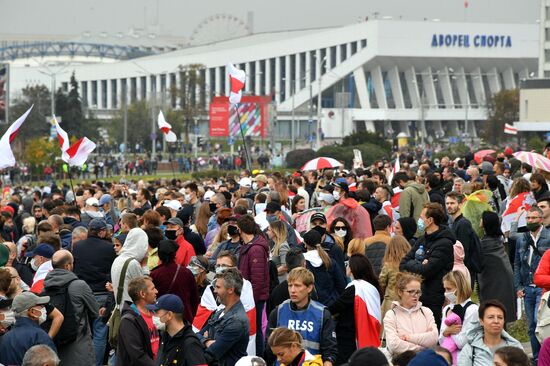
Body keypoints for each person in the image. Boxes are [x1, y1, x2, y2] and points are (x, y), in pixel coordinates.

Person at [267, 267, 338, 366]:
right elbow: (269, 352)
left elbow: (330, 352)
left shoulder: (322, 314)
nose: (292, 290)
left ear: (309, 288)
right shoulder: (277, 312)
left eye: (297, 286)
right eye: (290, 285)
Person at [400, 203, 455, 327]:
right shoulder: (422, 239)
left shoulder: (444, 243)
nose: (419, 220)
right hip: (418, 295)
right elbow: (403, 263)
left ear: (430, 220)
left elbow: (426, 271)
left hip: (433, 297)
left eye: (421, 217)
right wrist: (420, 263)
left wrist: (417, 264)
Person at [42, 250, 99, 366]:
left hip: (55, 347)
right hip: (79, 346)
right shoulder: (79, 285)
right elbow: (95, 311)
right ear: (68, 266)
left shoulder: (45, 287)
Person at [72, 218, 116, 366]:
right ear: (102, 231)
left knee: (82, 332)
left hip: (81, 294)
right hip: (101, 295)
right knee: (99, 333)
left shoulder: (77, 246)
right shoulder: (109, 248)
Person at [328, 254, 383, 364]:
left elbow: (334, 307)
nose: (346, 267)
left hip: (349, 337)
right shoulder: (372, 287)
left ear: (353, 269)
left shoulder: (355, 288)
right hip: (360, 334)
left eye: (348, 265)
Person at [513, 206, 550, 362]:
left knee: (539, 323)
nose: (530, 221)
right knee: (531, 326)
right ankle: (536, 358)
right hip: (527, 287)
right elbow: (517, 264)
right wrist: (518, 286)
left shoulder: (548, 236)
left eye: (533, 218)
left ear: (541, 220)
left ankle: (544, 356)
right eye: (527, 218)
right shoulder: (522, 238)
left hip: (542, 289)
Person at [198, 267, 250, 366]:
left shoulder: (236, 322)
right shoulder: (219, 312)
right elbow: (196, 335)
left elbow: (211, 354)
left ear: (230, 290)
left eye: (218, 287)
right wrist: (207, 341)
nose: (214, 291)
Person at [383, 272, 438, 356]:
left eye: (418, 292)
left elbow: (434, 339)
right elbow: (393, 345)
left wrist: (407, 338)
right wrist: (423, 346)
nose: (416, 295)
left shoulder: (426, 312)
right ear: (400, 292)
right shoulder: (391, 314)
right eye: (411, 291)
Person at [237, 214, 270, 355]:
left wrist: (250, 302)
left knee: (255, 332)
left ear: (240, 230)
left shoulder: (255, 249)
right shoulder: (248, 247)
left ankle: (258, 359)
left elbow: (257, 280)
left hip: (253, 299)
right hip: (247, 298)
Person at [147, 294, 207, 366]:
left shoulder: (190, 343)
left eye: (156, 312)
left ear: (169, 315)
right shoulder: (164, 335)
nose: (153, 316)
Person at [458, 300, 523, 365]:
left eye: (500, 317)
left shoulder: (515, 347)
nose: (496, 321)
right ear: (481, 321)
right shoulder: (470, 349)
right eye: (491, 317)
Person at [0, 291, 57, 365]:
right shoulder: (39, 336)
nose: (44, 309)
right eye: (41, 306)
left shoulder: (5, 337)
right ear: (32, 312)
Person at [479, 211, 516, 323]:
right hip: (502, 281)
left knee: (494, 312)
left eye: (482, 218)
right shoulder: (497, 242)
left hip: (494, 284)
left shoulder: (485, 245)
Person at [150, 240, 199, 323]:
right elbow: (194, 299)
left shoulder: (154, 274)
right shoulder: (186, 272)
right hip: (183, 317)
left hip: (161, 317)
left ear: (159, 255)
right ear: (175, 254)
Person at [117, 276, 159, 366]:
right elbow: (137, 355)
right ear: (142, 294)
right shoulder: (129, 321)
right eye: (153, 289)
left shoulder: (155, 313)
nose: (156, 291)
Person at [439, 270, 479, 365]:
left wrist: (449, 331)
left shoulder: (472, 309)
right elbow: (441, 340)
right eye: (445, 289)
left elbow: (462, 342)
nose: (446, 293)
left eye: (449, 289)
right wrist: (447, 332)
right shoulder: (447, 309)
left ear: (459, 288)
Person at [302, 230, 346, 306]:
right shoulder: (330, 261)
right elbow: (341, 286)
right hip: (331, 306)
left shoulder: (303, 263)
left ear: (305, 244)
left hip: (311, 308)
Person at [111, 227, 150, 305]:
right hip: (132, 310)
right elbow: (145, 287)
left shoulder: (118, 259)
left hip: (122, 307)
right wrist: (145, 265)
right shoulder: (132, 263)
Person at [379, 235, 411, 319]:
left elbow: (381, 282)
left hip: (390, 301)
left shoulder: (388, 265)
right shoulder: (411, 263)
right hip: (407, 300)